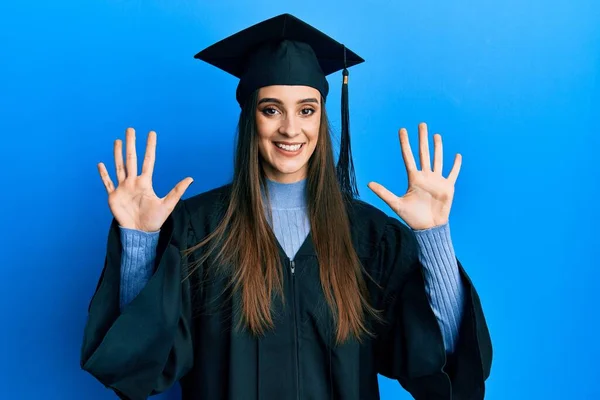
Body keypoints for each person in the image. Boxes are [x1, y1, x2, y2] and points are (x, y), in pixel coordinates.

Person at [80, 13, 492, 400]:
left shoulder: (369, 237)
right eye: (271, 109)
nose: (290, 128)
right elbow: (141, 368)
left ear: (321, 120)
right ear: (250, 120)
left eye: (306, 110)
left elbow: (445, 361)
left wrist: (434, 238)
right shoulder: (200, 230)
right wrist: (139, 243)